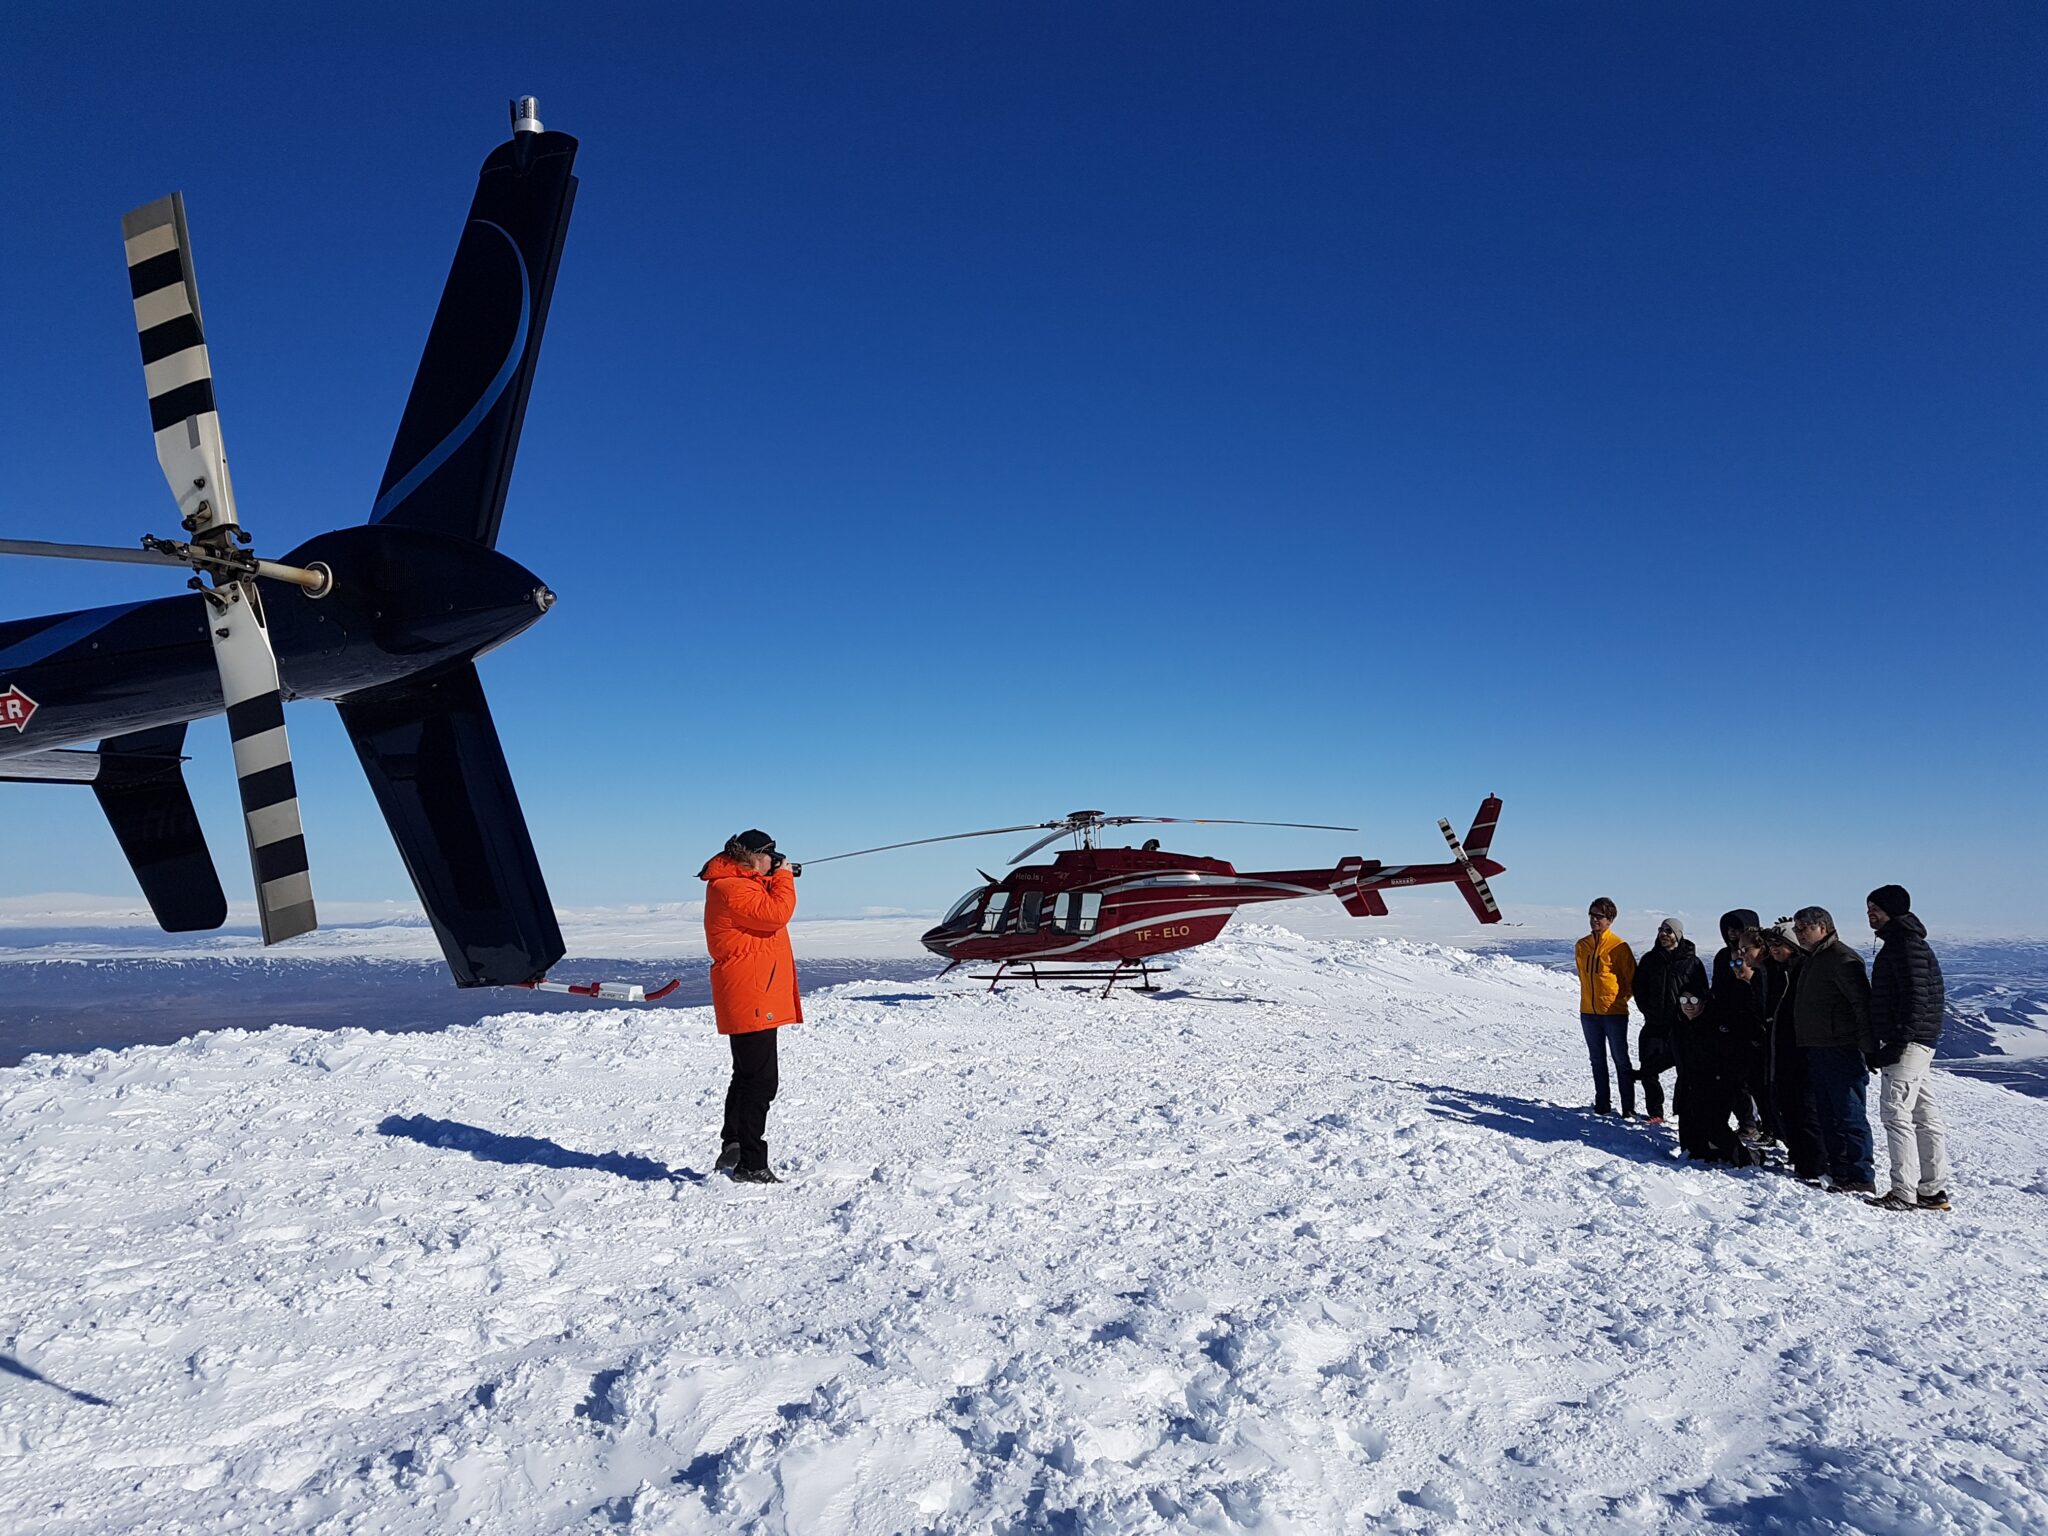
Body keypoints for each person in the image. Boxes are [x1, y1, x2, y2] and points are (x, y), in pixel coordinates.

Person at [699, 829, 802, 1183]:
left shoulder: (738, 882)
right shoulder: (731, 886)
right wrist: (784, 877)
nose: (773, 862)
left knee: (746, 1076)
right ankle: (751, 1163)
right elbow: (775, 914)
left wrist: (774, 877)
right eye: (770, 856)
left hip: (751, 991)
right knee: (761, 1081)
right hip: (752, 993)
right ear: (753, 856)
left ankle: (735, 1148)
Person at [1864, 884, 1951, 1212]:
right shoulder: (1905, 943)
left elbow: (1916, 999)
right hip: (1919, 1040)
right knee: (1924, 1114)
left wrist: (1897, 1041)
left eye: (1877, 908)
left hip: (1910, 1042)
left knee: (1895, 1112)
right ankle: (1932, 1189)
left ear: (1894, 911)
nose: (1871, 914)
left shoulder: (1905, 946)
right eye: (1869, 908)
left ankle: (1903, 1191)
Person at [1790, 905, 1877, 1194]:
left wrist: (1866, 1045)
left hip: (1841, 1047)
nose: (1800, 933)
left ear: (1823, 927)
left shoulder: (1841, 958)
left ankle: (1861, 1174)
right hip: (1817, 1046)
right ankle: (1839, 1170)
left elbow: (1861, 1005)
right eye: (1798, 928)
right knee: (1827, 1112)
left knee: (1848, 1113)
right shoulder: (1814, 959)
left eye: (1805, 928)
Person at [1759, 920, 1826, 1181]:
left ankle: (1815, 1164)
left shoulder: (1800, 971)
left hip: (1800, 1048)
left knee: (1804, 1109)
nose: (1774, 949)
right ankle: (1800, 1157)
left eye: (1780, 944)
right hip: (1782, 1047)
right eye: (1771, 945)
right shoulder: (1778, 971)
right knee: (1786, 1105)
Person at [1630, 917, 1704, 1126]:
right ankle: (1655, 1112)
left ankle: (1686, 1113)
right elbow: (1639, 988)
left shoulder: (1691, 962)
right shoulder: (1650, 960)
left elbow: (1701, 992)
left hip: (1681, 1026)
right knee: (1648, 1068)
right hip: (1654, 1024)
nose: (1664, 934)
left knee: (1685, 1070)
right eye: (1661, 930)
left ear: (1678, 935)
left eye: (1669, 931)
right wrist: (1647, 1009)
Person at [1575, 898, 1638, 1116]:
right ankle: (1602, 1103)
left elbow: (1632, 980)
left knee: (1621, 1060)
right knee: (1597, 1060)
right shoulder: (1582, 945)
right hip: (1588, 1012)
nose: (1594, 919)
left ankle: (1628, 1108)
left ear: (1610, 920)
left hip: (1614, 1013)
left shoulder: (1619, 947)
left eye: (1599, 916)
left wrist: (1618, 1000)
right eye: (1592, 914)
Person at [1709, 909, 1767, 1137]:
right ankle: (1747, 1121)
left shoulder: (1762, 959)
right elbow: (1717, 990)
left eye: (1738, 929)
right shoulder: (1723, 957)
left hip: (1754, 1025)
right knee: (1733, 1078)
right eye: (1728, 929)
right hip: (1728, 1024)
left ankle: (1766, 1124)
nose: (1732, 934)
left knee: (1758, 1081)